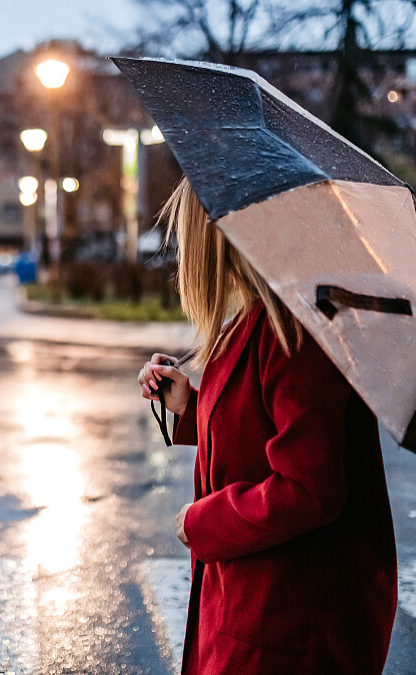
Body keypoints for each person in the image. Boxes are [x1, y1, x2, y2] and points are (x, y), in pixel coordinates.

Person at [139, 178, 398, 673]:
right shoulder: (260, 318)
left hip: (285, 626)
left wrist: (201, 521)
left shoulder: (292, 329)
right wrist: (188, 406)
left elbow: (309, 487)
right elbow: (263, 428)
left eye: (190, 236)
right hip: (255, 610)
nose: (183, 255)